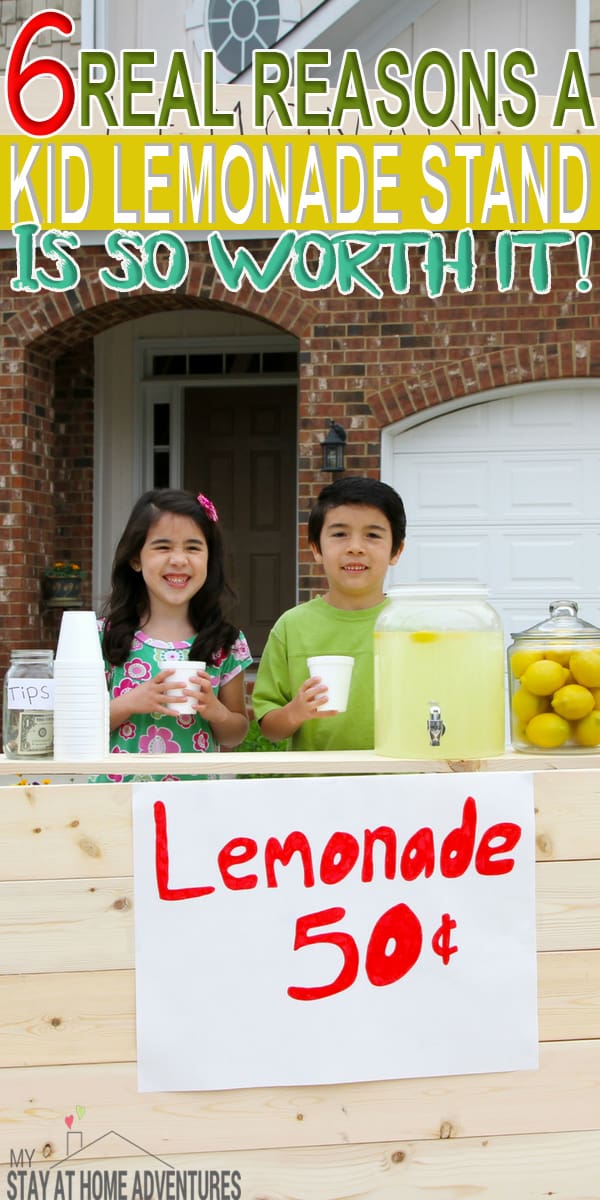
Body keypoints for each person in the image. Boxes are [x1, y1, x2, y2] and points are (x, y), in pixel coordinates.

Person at [99, 488, 251, 779]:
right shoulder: (102, 637)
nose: (179, 559)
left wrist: (214, 710)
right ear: (135, 558)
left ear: (209, 559)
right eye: (163, 547)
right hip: (115, 803)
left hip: (192, 807)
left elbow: (236, 735)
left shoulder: (226, 643)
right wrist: (130, 703)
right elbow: (76, 729)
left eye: (193, 547)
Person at [252, 476, 406, 751]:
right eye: (339, 534)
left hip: (400, 781)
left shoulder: (410, 625)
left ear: (396, 550)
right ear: (316, 549)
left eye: (372, 535)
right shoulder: (292, 626)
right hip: (316, 786)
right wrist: (296, 711)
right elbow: (269, 727)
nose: (355, 547)